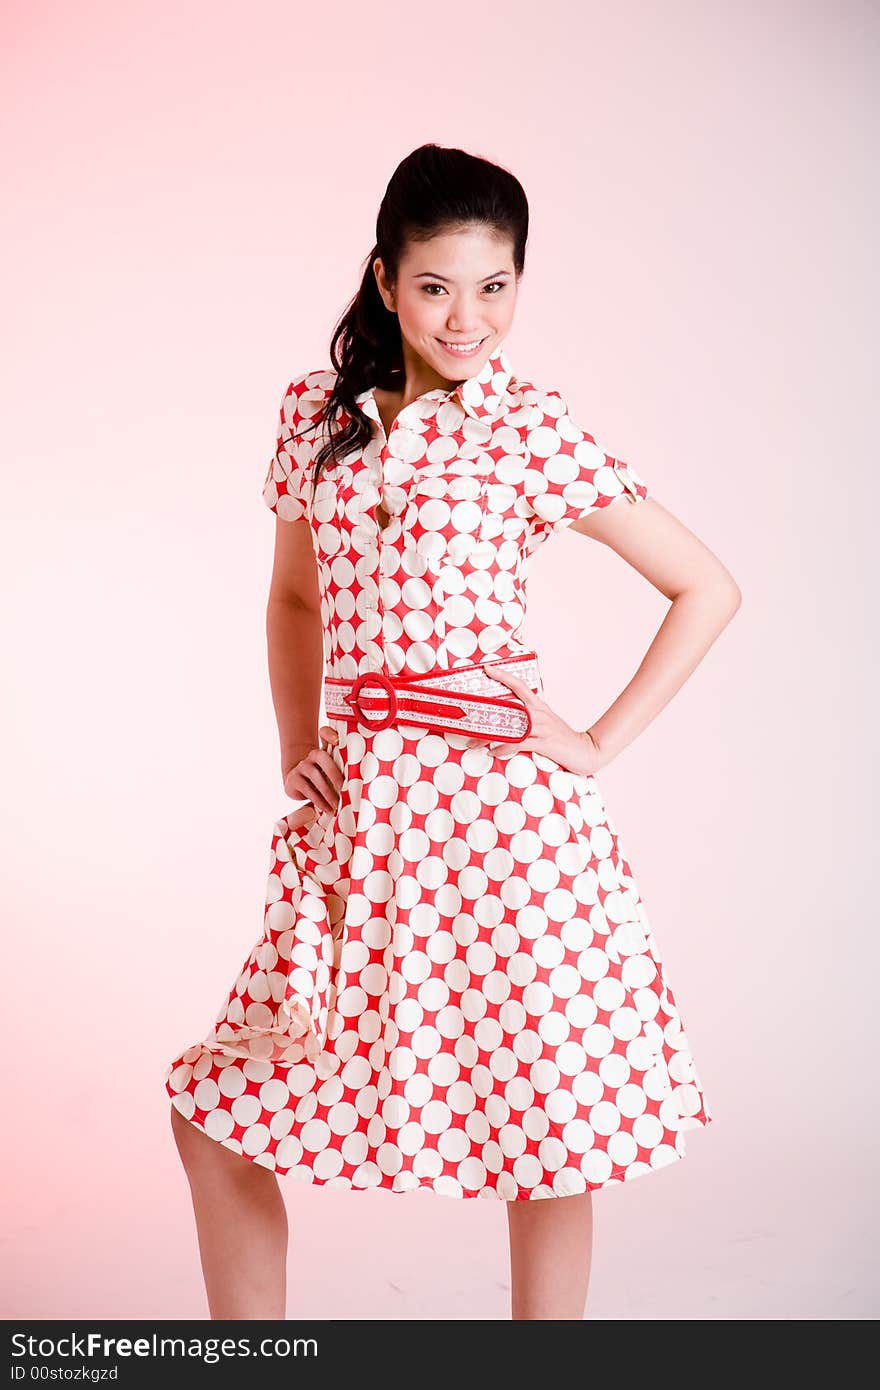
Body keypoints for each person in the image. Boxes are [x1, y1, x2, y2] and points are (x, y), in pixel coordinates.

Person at [164, 142, 740, 1322]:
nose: (466, 315)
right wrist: (295, 746)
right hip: (363, 818)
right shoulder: (313, 419)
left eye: (495, 285)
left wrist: (592, 740)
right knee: (216, 1107)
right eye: (436, 284)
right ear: (384, 279)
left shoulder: (529, 429)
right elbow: (293, 597)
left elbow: (706, 587)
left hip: (506, 820)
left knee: (549, 1125)